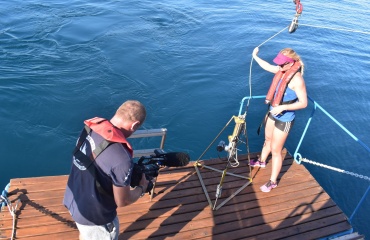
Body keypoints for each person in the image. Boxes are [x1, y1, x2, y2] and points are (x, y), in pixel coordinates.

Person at [63, 100, 150, 240]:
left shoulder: (89, 129)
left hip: (73, 198)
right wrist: (141, 188)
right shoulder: (121, 158)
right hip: (95, 217)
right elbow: (123, 201)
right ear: (135, 125)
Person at [251, 47, 308, 192]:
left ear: (290, 63)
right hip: (272, 113)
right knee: (267, 140)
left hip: (285, 119)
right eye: (279, 64)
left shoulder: (297, 79)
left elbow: (303, 103)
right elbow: (268, 66)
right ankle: (262, 161)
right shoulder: (282, 70)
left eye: (282, 64)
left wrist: (282, 108)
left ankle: (273, 181)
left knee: (276, 150)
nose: (279, 66)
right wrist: (255, 56)